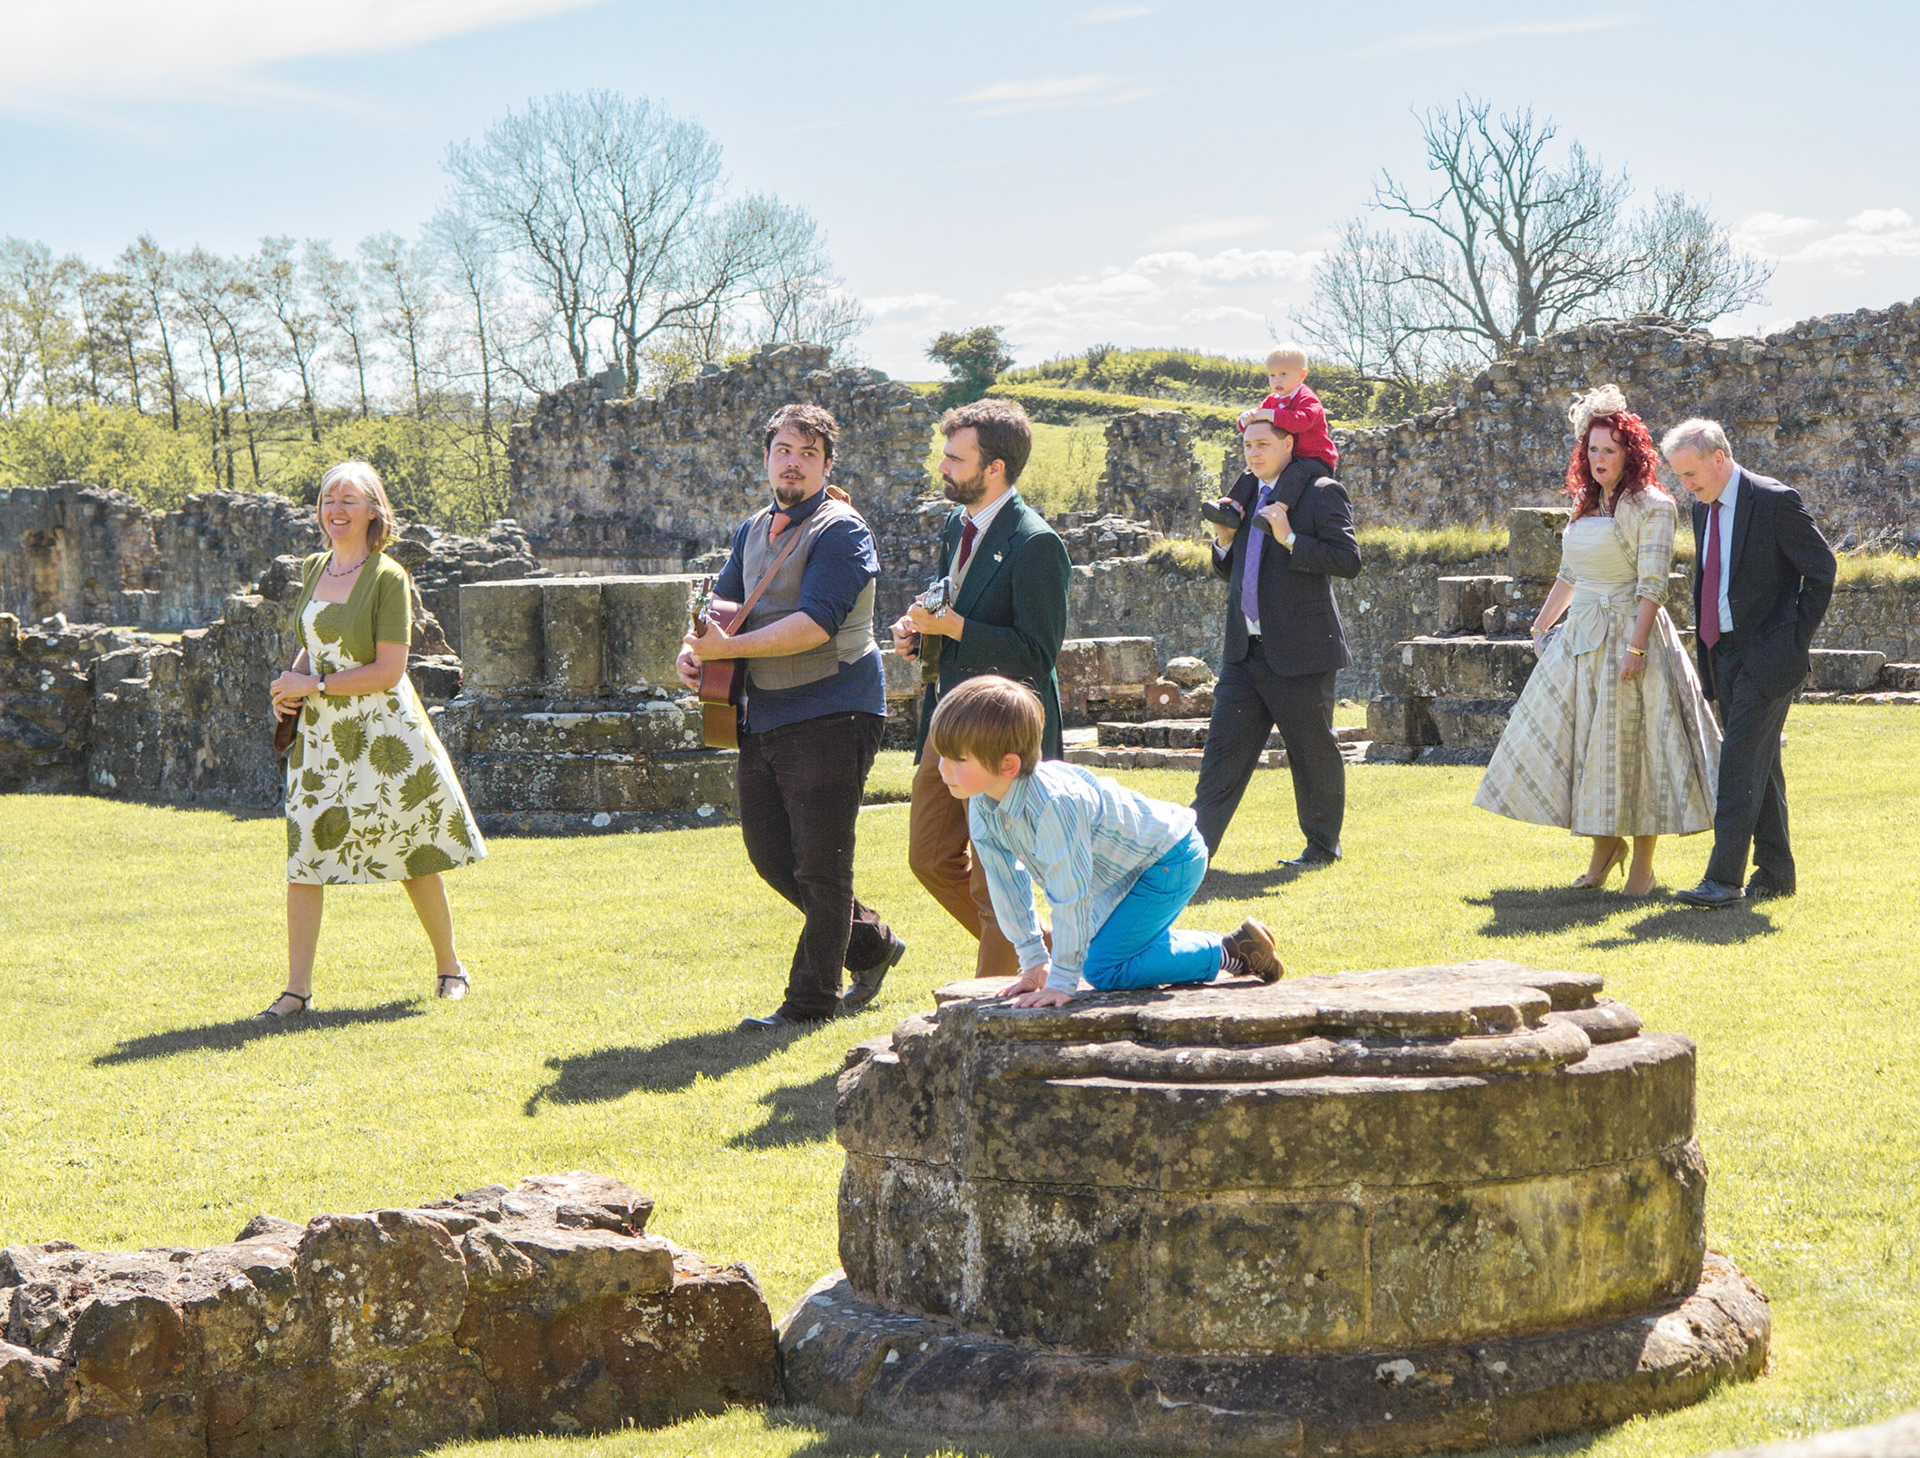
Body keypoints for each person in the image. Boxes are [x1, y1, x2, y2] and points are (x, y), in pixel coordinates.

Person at [679, 403, 906, 1027]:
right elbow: (722, 608)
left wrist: (728, 651)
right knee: (772, 857)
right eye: (784, 450)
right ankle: (872, 945)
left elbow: (815, 625)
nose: (794, 464)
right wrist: (694, 652)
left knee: (821, 865)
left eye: (809, 454)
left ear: (828, 465)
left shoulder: (842, 531)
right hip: (766, 712)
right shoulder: (752, 529)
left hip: (835, 709)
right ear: (766, 458)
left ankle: (810, 1003)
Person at [260, 460, 485, 1019]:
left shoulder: (389, 577)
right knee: (305, 855)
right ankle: (296, 992)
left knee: (413, 851)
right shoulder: (314, 567)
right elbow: (314, 641)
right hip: (321, 738)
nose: (335, 509)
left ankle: (450, 968)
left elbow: (389, 670)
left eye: (349, 500)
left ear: (372, 511)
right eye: (328, 499)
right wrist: (292, 683)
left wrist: (313, 684)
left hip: (384, 734)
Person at [1474, 386, 1721, 893]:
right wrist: (1542, 626)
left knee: (1638, 750)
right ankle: (1604, 851)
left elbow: (1653, 586)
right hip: (1581, 639)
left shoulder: (1654, 505)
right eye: (1592, 450)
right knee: (1586, 748)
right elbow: (1570, 574)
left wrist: (1636, 648)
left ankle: (1643, 865)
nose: (1599, 459)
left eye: (1610, 449)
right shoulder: (1584, 503)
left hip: (1633, 638)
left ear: (1631, 453)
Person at [930, 675, 1283, 1008]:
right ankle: (1239, 945)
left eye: (958, 759)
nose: (943, 767)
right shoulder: (984, 803)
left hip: (1169, 859)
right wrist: (1034, 961)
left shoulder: (1055, 805)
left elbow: (1071, 895)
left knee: (1103, 969)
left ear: (1008, 765)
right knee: (1104, 951)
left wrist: (1062, 981)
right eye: (942, 754)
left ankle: (1228, 952)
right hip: (1121, 873)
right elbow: (1007, 883)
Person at [891, 398, 1070, 978]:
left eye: (955, 459)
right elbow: (954, 604)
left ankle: (993, 1015)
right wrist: (921, 633)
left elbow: (1037, 655)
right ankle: (1050, 952)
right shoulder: (957, 525)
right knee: (929, 858)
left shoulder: (1037, 543)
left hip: (1000, 735)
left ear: (994, 468)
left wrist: (955, 628)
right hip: (946, 721)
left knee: (993, 883)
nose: (942, 467)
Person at [1662, 418, 1835, 908]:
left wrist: (1793, 640)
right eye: (1679, 476)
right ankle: (1776, 875)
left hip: (1769, 657)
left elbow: (1822, 570)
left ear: (1718, 458)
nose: (1686, 485)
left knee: (1738, 762)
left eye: (1690, 474)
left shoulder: (1776, 501)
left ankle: (1723, 880)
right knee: (1762, 763)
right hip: (1721, 652)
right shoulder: (1702, 507)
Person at [1190, 419, 1360, 866]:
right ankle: (1190, 855)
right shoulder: (1245, 497)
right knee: (1220, 757)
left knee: (1312, 756)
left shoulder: (1321, 492)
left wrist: (1289, 538)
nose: (1253, 453)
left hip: (1302, 653)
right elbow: (1233, 571)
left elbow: (1348, 560)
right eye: (1248, 445)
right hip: (1243, 654)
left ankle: (1322, 849)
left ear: (1288, 444)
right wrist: (1224, 541)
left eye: (1263, 444)